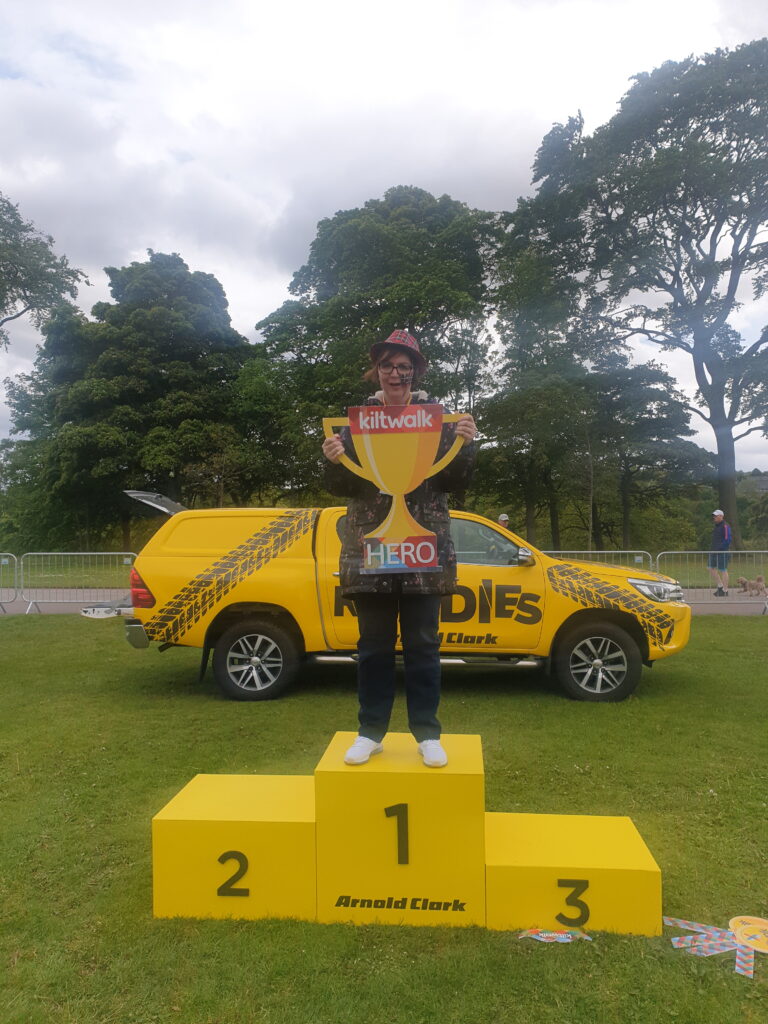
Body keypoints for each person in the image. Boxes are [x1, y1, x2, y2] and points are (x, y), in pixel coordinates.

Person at [322, 329, 477, 768]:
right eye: (388, 365)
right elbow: (343, 486)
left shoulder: (436, 421)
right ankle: (370, 732)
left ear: (415, 373)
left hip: (422, 551)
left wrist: (467, 443)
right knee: (372, 646)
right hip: (370, 548)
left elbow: (456, 481)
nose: (396, 373)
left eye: (404, 367)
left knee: (423, 644)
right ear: (378, 371)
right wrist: (332, 458)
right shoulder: (356, 424)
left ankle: (427, 733)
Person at [708, 509, 732, 597]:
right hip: (713, 551)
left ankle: (725, 591)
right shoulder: (716, 526)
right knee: (711, 568)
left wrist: (720, 548)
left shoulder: (725, 526)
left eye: (716, 516)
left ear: (721, 516)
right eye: (714, 516)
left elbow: (728, 539)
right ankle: (720, 586)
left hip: (722, 552)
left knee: (723, 570)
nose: (714, 517)